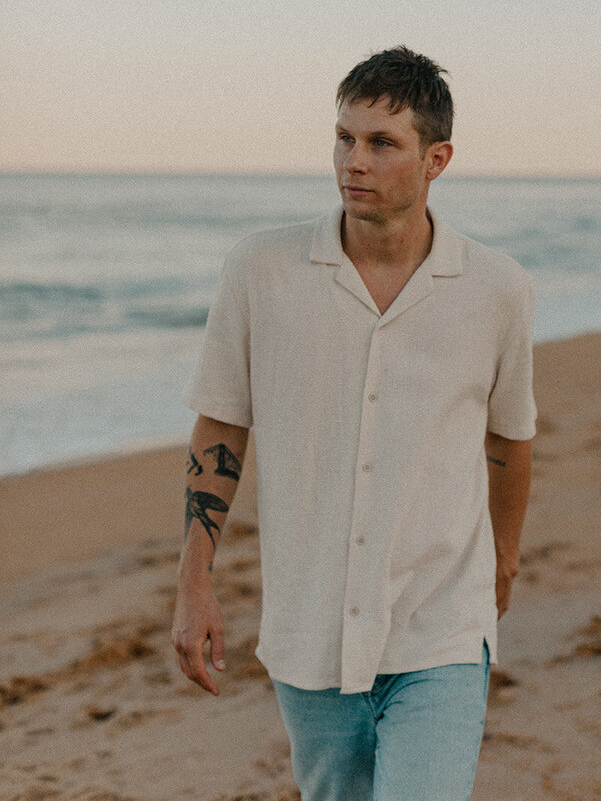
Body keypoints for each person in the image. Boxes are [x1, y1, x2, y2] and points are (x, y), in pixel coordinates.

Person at [171, 46, 536, 801]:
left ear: (437, 159)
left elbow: (509, 436)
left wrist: (504, 554)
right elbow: (222, 425)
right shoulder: (261, 270)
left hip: (441, 622)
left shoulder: (496, 288)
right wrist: (194, 580)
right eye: (344, 138)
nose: (353, 161)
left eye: (381, 143)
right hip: (310, 629)